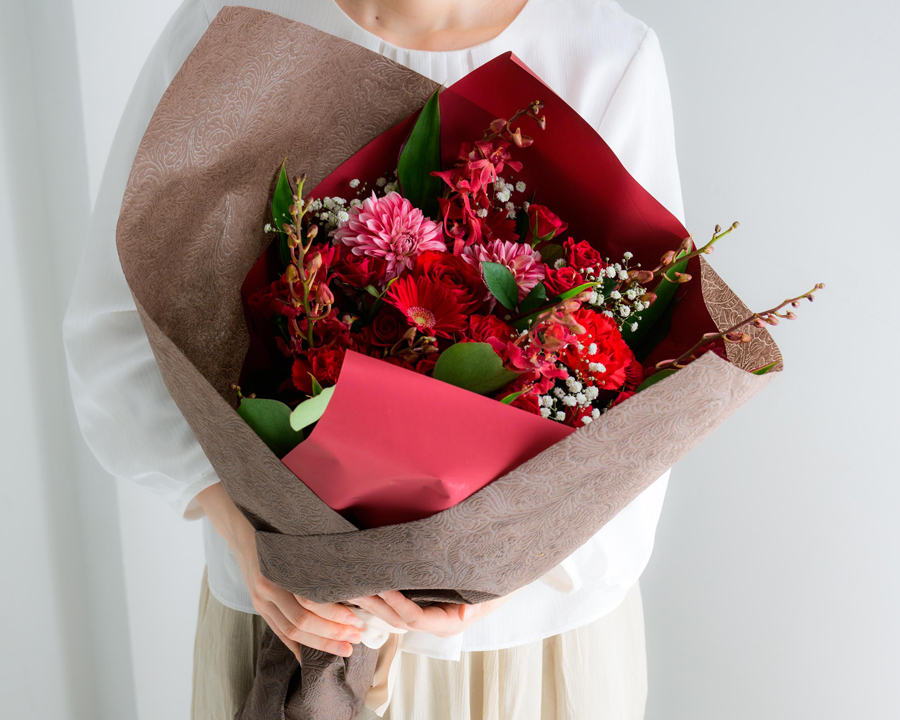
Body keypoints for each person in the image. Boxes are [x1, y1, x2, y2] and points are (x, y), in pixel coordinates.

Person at [63, 0, 684, 718]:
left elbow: (651, 385)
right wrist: (252, 538)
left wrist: (489, 582)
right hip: (289, 622)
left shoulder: (606, 55)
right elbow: (119, 320)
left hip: (521, 649)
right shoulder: (232, 20)